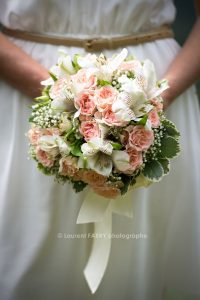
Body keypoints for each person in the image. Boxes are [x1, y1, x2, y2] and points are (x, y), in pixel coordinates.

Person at [0, 0, 200, 299]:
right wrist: (61, 99)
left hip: (154, 87)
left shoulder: (153, 100)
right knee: (30, 246)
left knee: (144, 247)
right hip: (25, 87)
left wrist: (151, 103)